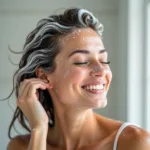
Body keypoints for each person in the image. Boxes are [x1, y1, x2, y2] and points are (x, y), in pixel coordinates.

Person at [7, 8, 150, 150]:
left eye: (103, 60)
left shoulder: (135, 143)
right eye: (82, 61)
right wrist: (39, 129)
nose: (101, 70)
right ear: (44, 76)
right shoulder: (21, 146)